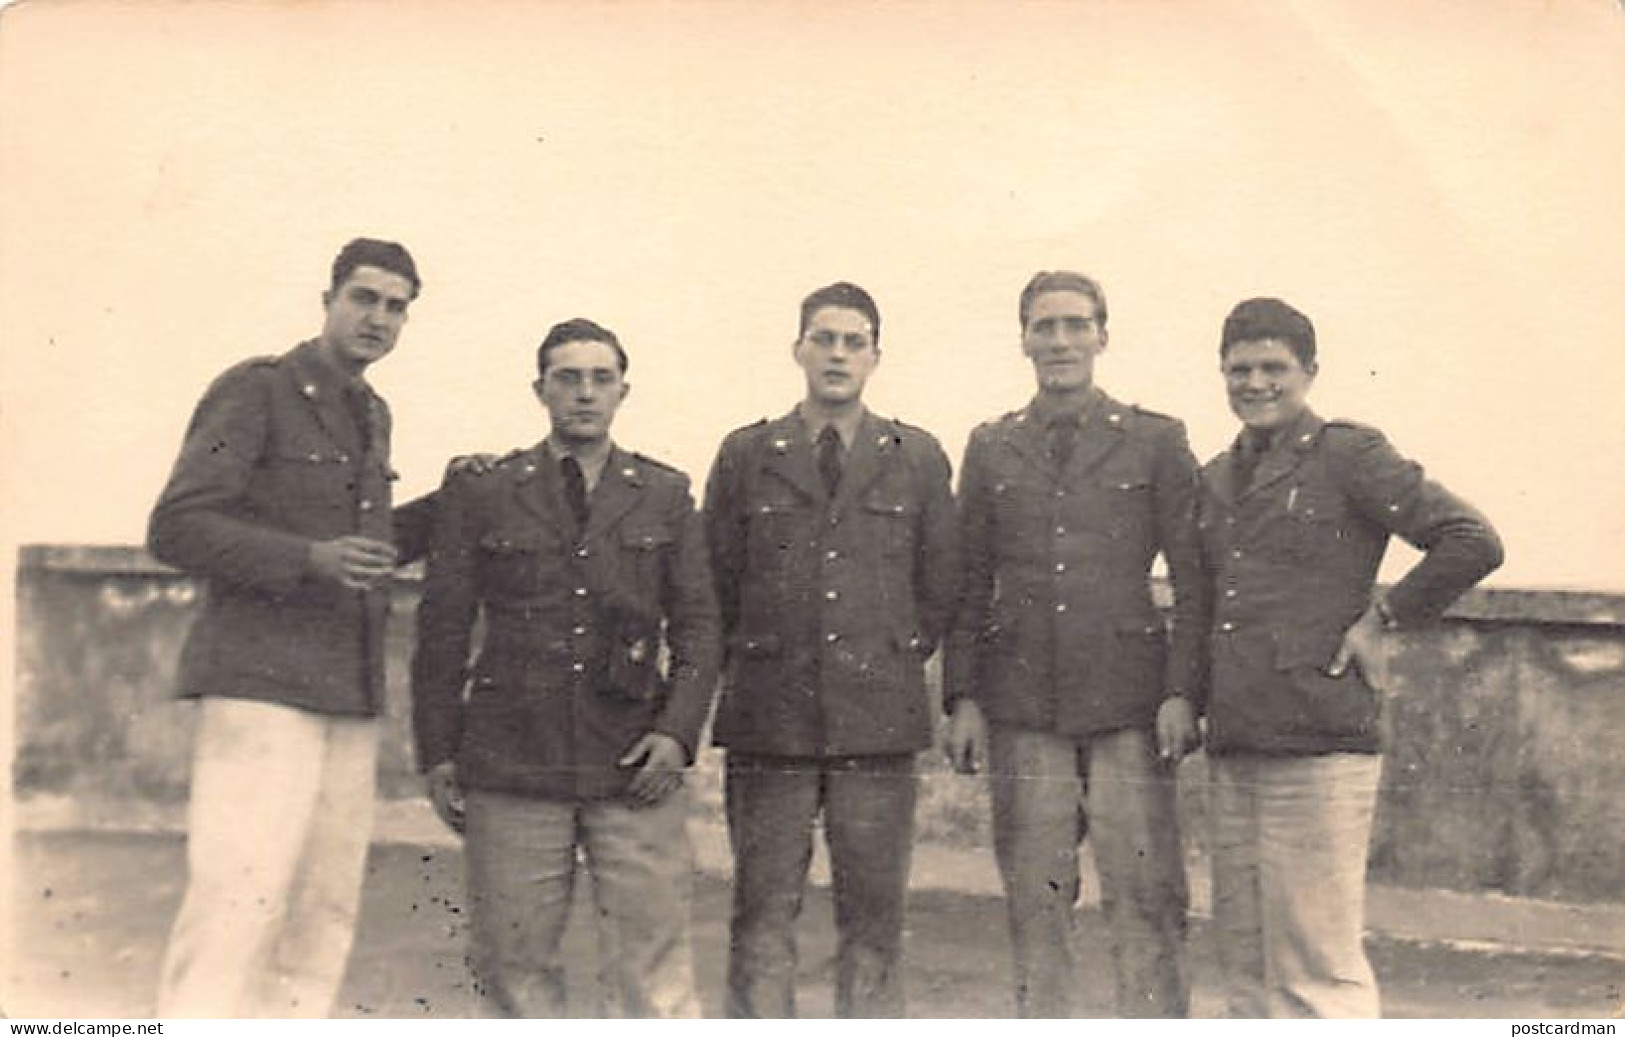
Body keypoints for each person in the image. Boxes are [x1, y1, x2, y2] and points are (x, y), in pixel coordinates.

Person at [149, 237, 436, 1017]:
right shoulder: (259, 390)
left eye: (396, 306)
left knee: (323, 908)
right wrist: (308, 559)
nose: (378, 317)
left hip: (345, 690)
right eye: (364, 298)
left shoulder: (371, 412)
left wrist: (455, 500)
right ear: (328, 300)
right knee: (236, 902)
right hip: (260, 684)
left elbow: (364, 551)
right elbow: (176, 525)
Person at [1198, 297, 1503, 1018]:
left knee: (1315, 969)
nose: (1256, 383)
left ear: (1309, 371)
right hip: (1237, 740)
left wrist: (1382, 618)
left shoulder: (1347, 454)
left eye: (1273, 367)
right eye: (1240, 369)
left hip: (1320, 739)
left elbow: (1471, 539)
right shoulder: (1215, 475)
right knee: (1245, 965)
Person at [410, 318, 720, 1017]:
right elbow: (442, 630)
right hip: (513, 759)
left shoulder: (664, 493)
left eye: (601, 379)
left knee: (653, 968)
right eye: (567, 378)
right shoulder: (486, 491)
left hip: (632, 761)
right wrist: (437, 752)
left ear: (622, 391)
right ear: (540, 390)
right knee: (514, 968)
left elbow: (700, 626)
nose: (585, 393)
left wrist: (676, 734)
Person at [943, 271, 1207, 1017]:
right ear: (1023, 339)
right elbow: (969, 582)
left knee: (1147, 894)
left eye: (1075, 324)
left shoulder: (1155, 439)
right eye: (1044, 326)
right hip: (1023, 703)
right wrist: (963, 697)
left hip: (1130, 705)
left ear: (1102, 336)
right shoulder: (992, 445)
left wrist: (1182, 691)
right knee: (1036, 897)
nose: (1060, 341)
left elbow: (1194, 581)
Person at [703, 282, 958, 1017]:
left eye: (854, 342)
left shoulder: (916, 456)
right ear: (798, 350)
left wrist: (887, 654)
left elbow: (940, 583)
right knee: (761, 916)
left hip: (876, 725)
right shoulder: (748, 453)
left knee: (874, 921)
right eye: (824, 339)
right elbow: (715, 582)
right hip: (769, 721)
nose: (838, 355)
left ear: (875, 356)